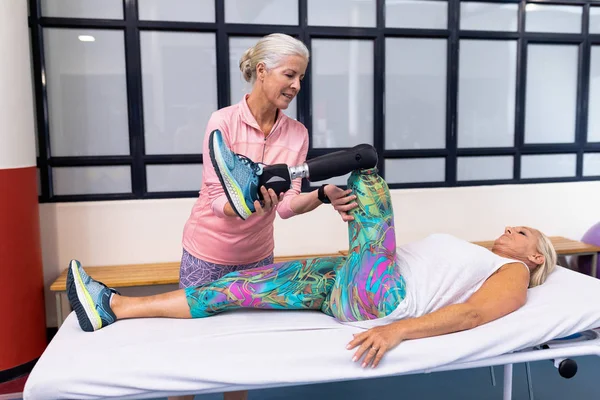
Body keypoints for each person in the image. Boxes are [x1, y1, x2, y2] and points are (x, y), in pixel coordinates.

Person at [66, 155, 558, 372]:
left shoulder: (515, 274)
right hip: (349, 282)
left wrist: (398, 331)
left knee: (367, 175)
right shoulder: (478, 252)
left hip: (380, 296)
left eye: (522, 232)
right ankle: (115, 306)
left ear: (536, 255)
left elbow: (474, 315)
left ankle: (264, 176)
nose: (509, 230)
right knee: (241, 284)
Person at [175, 33, 356, 400]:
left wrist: (321, 195)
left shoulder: (297, 133)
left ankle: (247, 188)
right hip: (206, 252)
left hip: (256, 256)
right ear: (262, 71)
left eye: (301, 78)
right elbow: (212, 197)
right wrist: (241, 206)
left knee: (241, 355)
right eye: (290, 75)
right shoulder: (222, 122)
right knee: (192, 355)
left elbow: (287, 205)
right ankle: (244, 190)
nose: (296, 85)